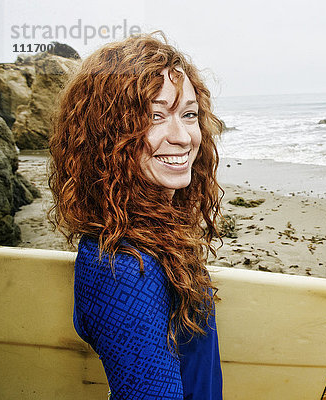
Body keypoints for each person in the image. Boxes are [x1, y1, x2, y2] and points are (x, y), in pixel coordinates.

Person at [49, 33, 223, 399]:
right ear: (106, 135)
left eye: (188, 114)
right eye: (154, 116)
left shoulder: (149, 231)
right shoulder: (123, 266)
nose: (183, 137)